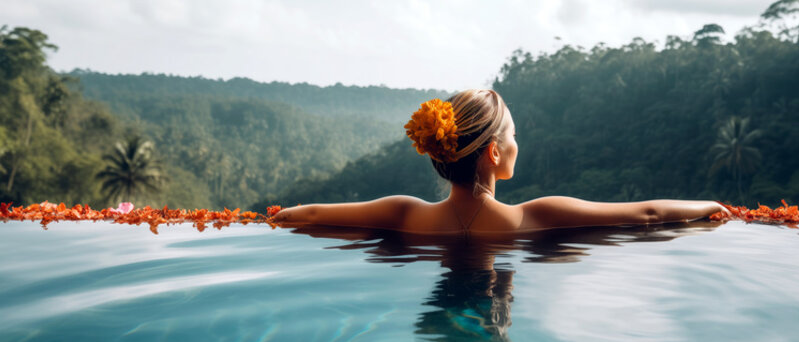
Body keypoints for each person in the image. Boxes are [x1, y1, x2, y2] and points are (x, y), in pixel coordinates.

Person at [273, 89, 727, 234]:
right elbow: (647, 214)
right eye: (513, 135)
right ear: (493, 152)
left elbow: (307, 214)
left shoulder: (404, 213)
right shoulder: (537, 216)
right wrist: (708, 204)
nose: (517, 143)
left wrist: (275, 216)